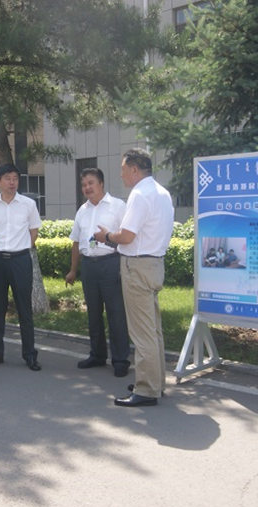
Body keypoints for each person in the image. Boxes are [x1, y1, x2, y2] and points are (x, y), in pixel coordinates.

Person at [94, 148, 174, 407]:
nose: (121, 175)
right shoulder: (162, 193)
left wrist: (106, 236)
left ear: (134, 170)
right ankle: (155, 382)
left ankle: (147, 390)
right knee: (153, 330)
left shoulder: (139, 194)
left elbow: (127, 236)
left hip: (137, 266)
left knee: (142, 332)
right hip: (154, 264)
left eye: (123, 170)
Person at [64, 168, 131, 377]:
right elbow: (76, 242)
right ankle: (97, 355)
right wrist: (73, 270)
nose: (87, 188)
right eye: (84, 185)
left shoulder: (118, 206)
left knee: (116, 314)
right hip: (89, 266)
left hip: (111, 263)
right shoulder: (82, 211)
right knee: (93, 313)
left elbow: (128, 236)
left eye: (91, 183)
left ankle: (120, 360)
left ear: (101, 183)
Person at [0, 163, 42, 371]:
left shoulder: (28, 204)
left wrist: (20, 248)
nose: (12, 182)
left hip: (20, 260)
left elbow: (34, 231)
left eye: (15, 178)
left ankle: (30, 355)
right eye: (7, 178)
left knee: (25, 309)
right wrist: (2, 249)